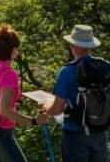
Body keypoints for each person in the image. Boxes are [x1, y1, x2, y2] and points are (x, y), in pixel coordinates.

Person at [0, 24, 47, 162]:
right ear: (13, 50)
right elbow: (4, 110)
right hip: (2, 133)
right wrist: (33, 121)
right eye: (17, 48)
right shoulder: (10, 74)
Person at [40, 24, 107, 162]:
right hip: (99, 133)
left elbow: (56, 110)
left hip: (74, 135)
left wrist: (45, 107)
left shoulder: (66, 72)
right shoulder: (106, 67)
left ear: (72, 46)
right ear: (90, 46)